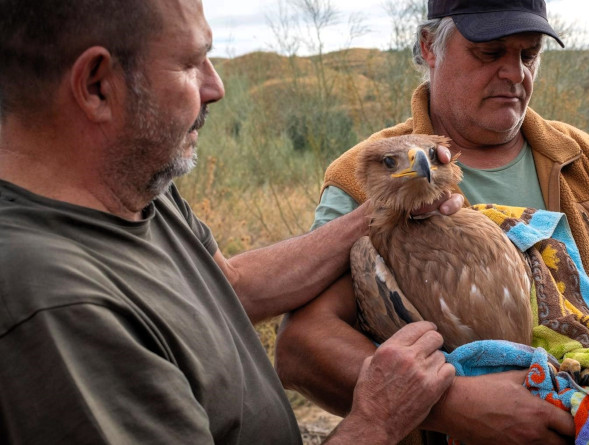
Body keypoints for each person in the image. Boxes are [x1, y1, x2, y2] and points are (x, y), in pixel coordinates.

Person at [0, 0, 461, 443]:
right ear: (98, 85)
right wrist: (375, 423)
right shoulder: (54, 303)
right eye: (190, 63)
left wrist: (384, 208)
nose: (215, 87)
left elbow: (231, 286)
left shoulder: (133, 187)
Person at [275, 0, 589, 443]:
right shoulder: (367, 175)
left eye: (528, 54)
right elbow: (301, 345)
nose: (515, 73)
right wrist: (455, 404)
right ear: (428, 46)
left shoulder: (577, 157)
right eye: (490, 52)